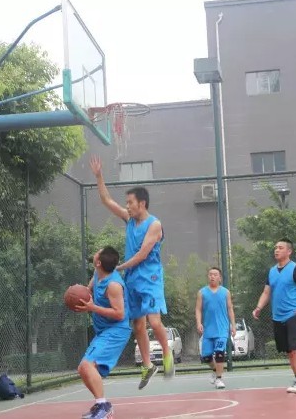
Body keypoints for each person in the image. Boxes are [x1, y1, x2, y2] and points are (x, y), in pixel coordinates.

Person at [90, 156, 174, 390]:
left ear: (142, 203)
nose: (127, 206)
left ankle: (167, 354)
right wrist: (99, 176)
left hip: (150, 278)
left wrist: (118, 268)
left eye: (130, 202)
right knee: (138, 325)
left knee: (154, 321)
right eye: (126, 203)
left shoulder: (154, 225)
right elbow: (106, 200)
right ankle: (147, 365)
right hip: (133, 279)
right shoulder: (129, 220)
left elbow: (142, 254)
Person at [252, 238, 296, 395]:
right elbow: (266, 292)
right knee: (289, 351)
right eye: (275, 247)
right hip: (278, 317)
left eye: (280, 248)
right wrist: (259, 307)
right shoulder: (272, 271)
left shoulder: (295, 269)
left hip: (294, 313)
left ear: (289, 251)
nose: (276, 250)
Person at [74, 247, 132, 419]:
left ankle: (103, 407)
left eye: (97, 252)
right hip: (103, 331)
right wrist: (79, 296)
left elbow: (119, 313)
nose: (95, 252)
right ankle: (102, 404)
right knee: (82, 369)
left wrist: (92, 308)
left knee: (87, 366)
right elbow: (88, 290)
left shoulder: (113, 285)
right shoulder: (97, 273)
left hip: (116, 331)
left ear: (98, 262)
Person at [195, 267, 236, 389]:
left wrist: (233, 325)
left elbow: (230, 309)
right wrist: (199, 323)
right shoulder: (202, 292)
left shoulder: (225, 292)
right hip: (208, 330)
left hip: (222, 329)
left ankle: (219, 378)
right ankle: (215, 370)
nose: (212, 276)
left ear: (220, 278)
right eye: (210, 274)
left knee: (219, 353)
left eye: (215, 274)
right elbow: (198, 309)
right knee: (206, 356)